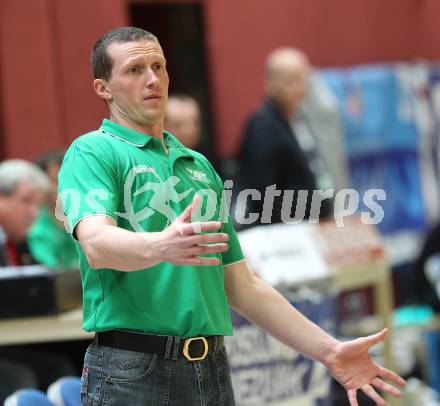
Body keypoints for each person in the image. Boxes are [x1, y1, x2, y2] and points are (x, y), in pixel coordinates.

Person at [58, 27, 405, 406]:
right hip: (133, 370)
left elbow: (243, 286)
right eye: (135, 69)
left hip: (211, 366)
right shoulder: (92, 152)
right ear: (103, 88)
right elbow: (96, 244)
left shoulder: (198, 166)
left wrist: (328, 351)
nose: (153, 78)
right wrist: (161, 245)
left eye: (158, 65)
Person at [0, 160, 75, 402]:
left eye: (38, 205)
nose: (33, 212)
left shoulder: (18, 242)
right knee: (19, 376)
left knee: (64, 360)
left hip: (13, 340)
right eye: (26, 201)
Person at [236, 48, 333, 226]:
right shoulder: (264, 126)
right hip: (284, 234)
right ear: (271, 82)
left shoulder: (297, 118)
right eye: (292, 81)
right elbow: (261, 195)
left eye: (303, 80)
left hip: (311, 226)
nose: (301, 88)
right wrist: (313, 207)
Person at [28, 151, 79, 269]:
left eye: (72, 178)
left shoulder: (92, 218)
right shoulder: (36, 229)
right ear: (40, 185)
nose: (67, 186)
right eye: (57, 180)